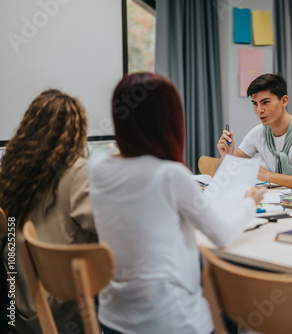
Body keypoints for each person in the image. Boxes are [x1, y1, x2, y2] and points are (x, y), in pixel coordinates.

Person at [87, 72, 265, 334]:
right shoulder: (170, 175)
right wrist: (250, 202)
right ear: (169, 120)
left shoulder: (96, 166)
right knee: (227, 305)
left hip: (114, 319)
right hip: (170, 321)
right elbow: (224, 236)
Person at [0, 89, 96, 334]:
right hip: (59, 313)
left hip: (16, 305)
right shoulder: (77, 173)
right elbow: (110, 230)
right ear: (76, 134)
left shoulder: (10, 170)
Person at [217, 73, 292, 188]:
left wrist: (267, 176)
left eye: (265, 102)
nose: (259, 110)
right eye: (255, 104)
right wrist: (226, 156)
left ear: (284, 101)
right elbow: (221, 176)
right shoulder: (258, 133)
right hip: (277, 200)